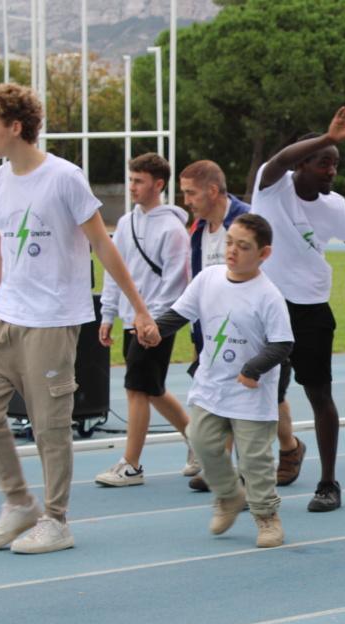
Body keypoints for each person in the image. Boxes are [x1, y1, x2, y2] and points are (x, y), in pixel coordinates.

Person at [0, 83, 161, 555]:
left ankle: (56, 519)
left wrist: (137, 306)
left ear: (16, 127)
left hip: (53, 320)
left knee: (50, 425)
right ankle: (18, 502)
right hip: (5, 317)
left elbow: (102, 244)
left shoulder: (65, 178)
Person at [152, 214, 294, 547]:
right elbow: (181, 313)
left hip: (250, 392)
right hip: (211, 385)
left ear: (264, 254)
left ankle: (266, 516)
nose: (232, 251)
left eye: (243, 247)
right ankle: (229, 495)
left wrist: (253, 369)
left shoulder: (268, 295)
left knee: (255, 460)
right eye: (230, 242)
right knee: (199, 439)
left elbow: (282, 343)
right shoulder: (209, 278)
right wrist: (154, 332)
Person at [251, 104, 345, 512]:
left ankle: (328, 483)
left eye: (335, 163)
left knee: (320, 395)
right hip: (267, 309)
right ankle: (257, 479)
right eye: (323, 162)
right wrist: (329, 136)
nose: (331, 170)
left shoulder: (334, 206)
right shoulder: (272, 188)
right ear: (302, 162)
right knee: (259, 395)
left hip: (312, 311)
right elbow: (279, 159)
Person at [95, 153, 194, 487]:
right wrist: (108, 313)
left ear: (158, 184)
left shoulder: (172, 229)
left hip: (155, 323)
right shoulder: (126, 224)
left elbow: (176, 282)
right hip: (129, 320)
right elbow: (114, 271)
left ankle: (132, 465)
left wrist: (155, 322)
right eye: (131, 179)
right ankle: (198, 441)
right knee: (151, 389)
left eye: (139, 180)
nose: (132, 186)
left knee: (137, 388)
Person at [178, 159, 251, 492]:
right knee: (214, 397)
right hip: (209, 330)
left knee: (254, 399)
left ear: (212, 190)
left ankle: (288, 447)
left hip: (246, 331)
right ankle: (220, 468)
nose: (186, 201)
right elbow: (197, 282)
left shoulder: (246, 221)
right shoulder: (198, 231)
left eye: (191, 193)